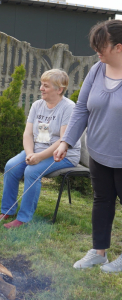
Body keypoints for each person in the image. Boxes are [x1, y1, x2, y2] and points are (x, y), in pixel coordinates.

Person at [54, 20, 122, 273]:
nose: (97, 51)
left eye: (101, 46)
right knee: (102, 200)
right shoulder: (96, 70)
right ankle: (99, 252)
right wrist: (66, 141)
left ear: (119, 47)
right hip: (98, 152)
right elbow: (81, 108)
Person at [0, 69, 81, 228]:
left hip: (63, 154)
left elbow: (64, 140)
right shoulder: (37, 105)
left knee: (31, 171)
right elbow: (27, 134)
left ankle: (23, 218)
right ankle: (8, 210)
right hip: (37, 150)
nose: (41, 88)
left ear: (59, 89)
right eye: (42, 84)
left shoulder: (69, 107)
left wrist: (39, 158)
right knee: (10, 166)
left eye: (46, 86)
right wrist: (30, 154)